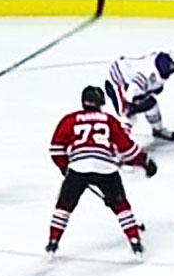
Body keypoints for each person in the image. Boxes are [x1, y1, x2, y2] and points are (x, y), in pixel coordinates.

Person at [47, 86, 157, 261]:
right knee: (121, 206)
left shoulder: (69, 120)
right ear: (101, 103)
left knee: (64, 205)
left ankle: (53, 242)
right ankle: (135, 241)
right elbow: (127, 149)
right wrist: (144, 162)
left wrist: (65, 168)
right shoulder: (109, 120)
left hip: (78, 168)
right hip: (106, 168)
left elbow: (56, 149)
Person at [104, 48, 174, 142]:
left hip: (132, 79)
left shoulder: (164, 65)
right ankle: (119, 141)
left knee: (151, 105)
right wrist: (129, 104)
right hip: (119, 79)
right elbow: (133, 88)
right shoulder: (150, 72)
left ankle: (158, 130)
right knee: (127, 114)